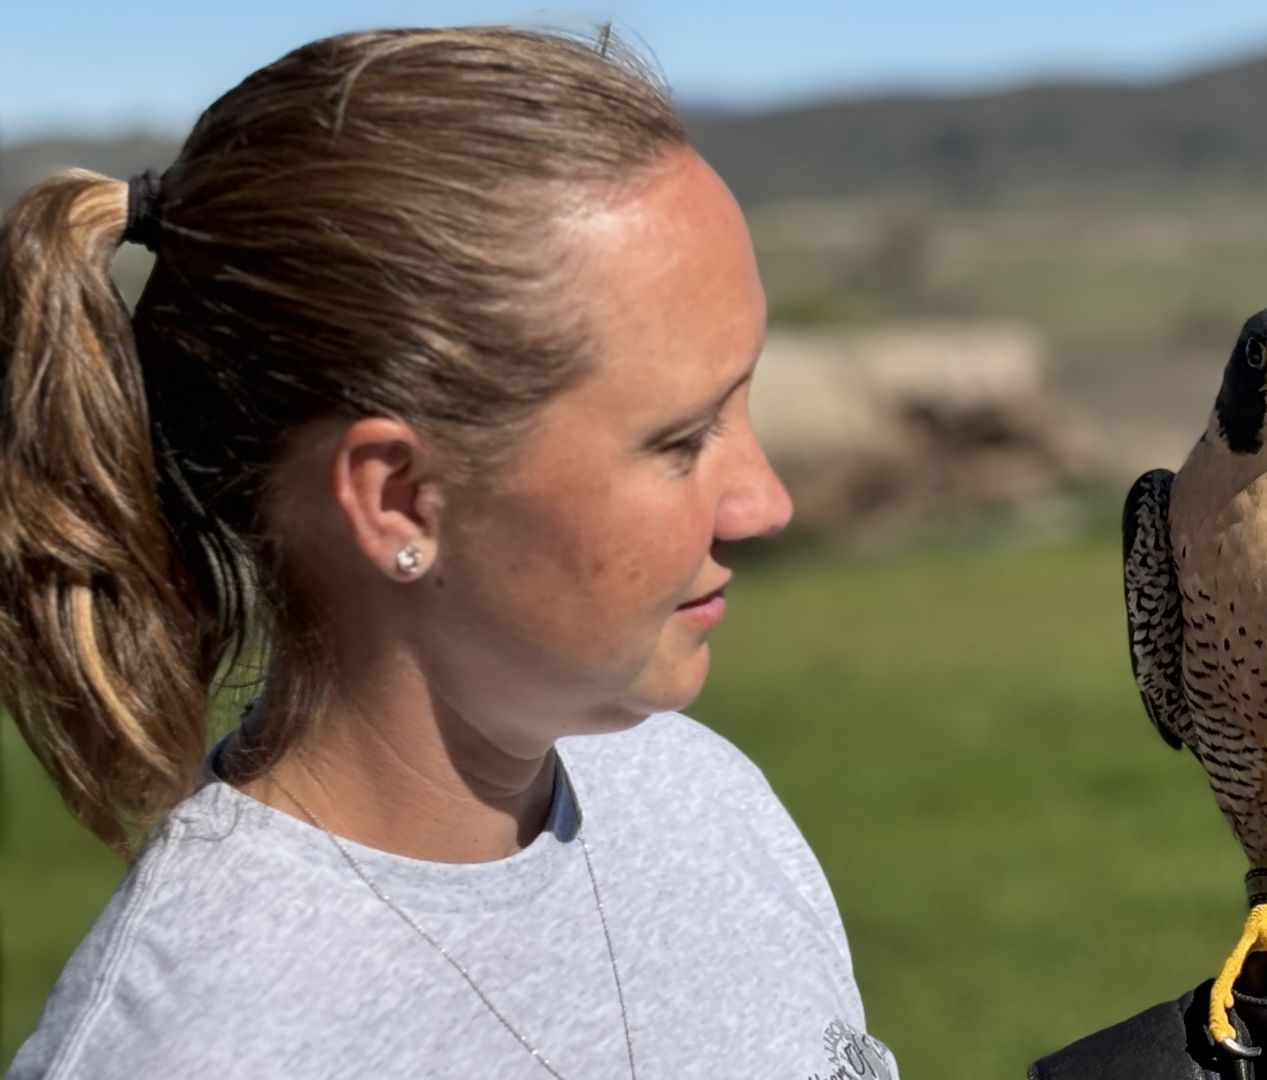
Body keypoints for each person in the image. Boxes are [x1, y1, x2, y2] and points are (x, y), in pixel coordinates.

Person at [2, 26, 896, 1080]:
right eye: (680, 440)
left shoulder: (705, 804)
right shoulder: (197, 1048)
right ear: (399, 502)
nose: (764, 502)